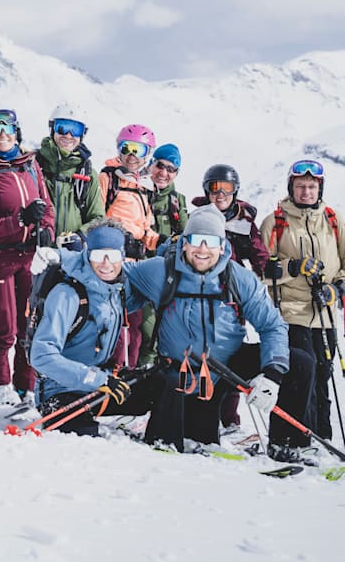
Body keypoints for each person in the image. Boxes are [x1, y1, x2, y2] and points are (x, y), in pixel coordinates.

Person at [116, 205, 317, 462]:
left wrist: (272, 374)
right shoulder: (160, 271)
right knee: (197, 440)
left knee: (300, 362)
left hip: (228, 365)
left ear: (222, 246)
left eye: (210, 241)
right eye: (195, 240)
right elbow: (110, 273)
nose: (202, 249)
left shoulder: (239, 278)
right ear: (184, 243)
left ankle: (287, 445)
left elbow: (272, 326)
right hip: (184, 372)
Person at [259, 159, 345, 439]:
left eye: (311, 186)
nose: (306, 192)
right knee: (300, 373)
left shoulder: (333, 220)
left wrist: (336, 289)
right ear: (291, 188)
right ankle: (293, 436)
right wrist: (292, 267)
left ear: (319, 189)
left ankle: (322, 436)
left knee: (322, 373)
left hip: (324, 312)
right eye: (300, 186)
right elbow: (262, 270)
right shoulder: (275, 223)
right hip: (290, 311)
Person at [0, 108, 55, 403]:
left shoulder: (30, 166)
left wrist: (46, 230)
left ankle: (26, 386)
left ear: (16, 132)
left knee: (28, 326)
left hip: (29, 258)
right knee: (5, 327)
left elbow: (46, 206)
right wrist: (18, 220)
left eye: (8, 129)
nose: (2, 135)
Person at [30, 222, 133, 435]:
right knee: (85, 440)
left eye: (113, 256)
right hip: (60, 390)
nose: (106, 264)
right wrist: (98, 379)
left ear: (123, 257)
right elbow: (41, 356)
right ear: (87, 255)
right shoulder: (66, 295)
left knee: (160, 385)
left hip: (100, 385)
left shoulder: (116, 289)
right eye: (98, 255)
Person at [191, 163, 270, 430]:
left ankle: (229, 418)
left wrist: (265, 270)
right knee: (203, 353)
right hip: (202, 294)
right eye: (215, 188)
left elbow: (259, 255)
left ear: (235, 191)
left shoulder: (244, 223)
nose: (221, 194)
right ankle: (200, 415)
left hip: (233, 296)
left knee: (232, 353)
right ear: (207, 190)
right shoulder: (199, 217)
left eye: (226, 188)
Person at [98, 123, 159, 368]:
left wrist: (160, 241)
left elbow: (145, 228)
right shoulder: (108, 178)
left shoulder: (145, 186)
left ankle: (130, 372)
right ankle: (114, 372)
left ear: (148, 154)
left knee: (134, 322)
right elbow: (96, 216)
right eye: (126, 148)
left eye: (139, 150)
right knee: (115, 320)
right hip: (112, 260)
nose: (132, 155)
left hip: (136, 263)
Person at [138, 142, 188, 366]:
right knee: (142, 328)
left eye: (171, 169)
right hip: (136, 270)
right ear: (150, 164)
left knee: (160, 330)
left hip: (165, 276)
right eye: (160, 165)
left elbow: (186, 236)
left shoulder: (177, 202)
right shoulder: (136, 190)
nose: (164, 173)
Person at [35, 103, 103, 242]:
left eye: (76, 130)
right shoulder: (35, 164)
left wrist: (79, 236)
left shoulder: (87, 174)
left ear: (82, 134)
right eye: (62, 127)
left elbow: (97, 217)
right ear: (52, 129)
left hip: (73, 251)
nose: (68, 135)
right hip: (37, 247)